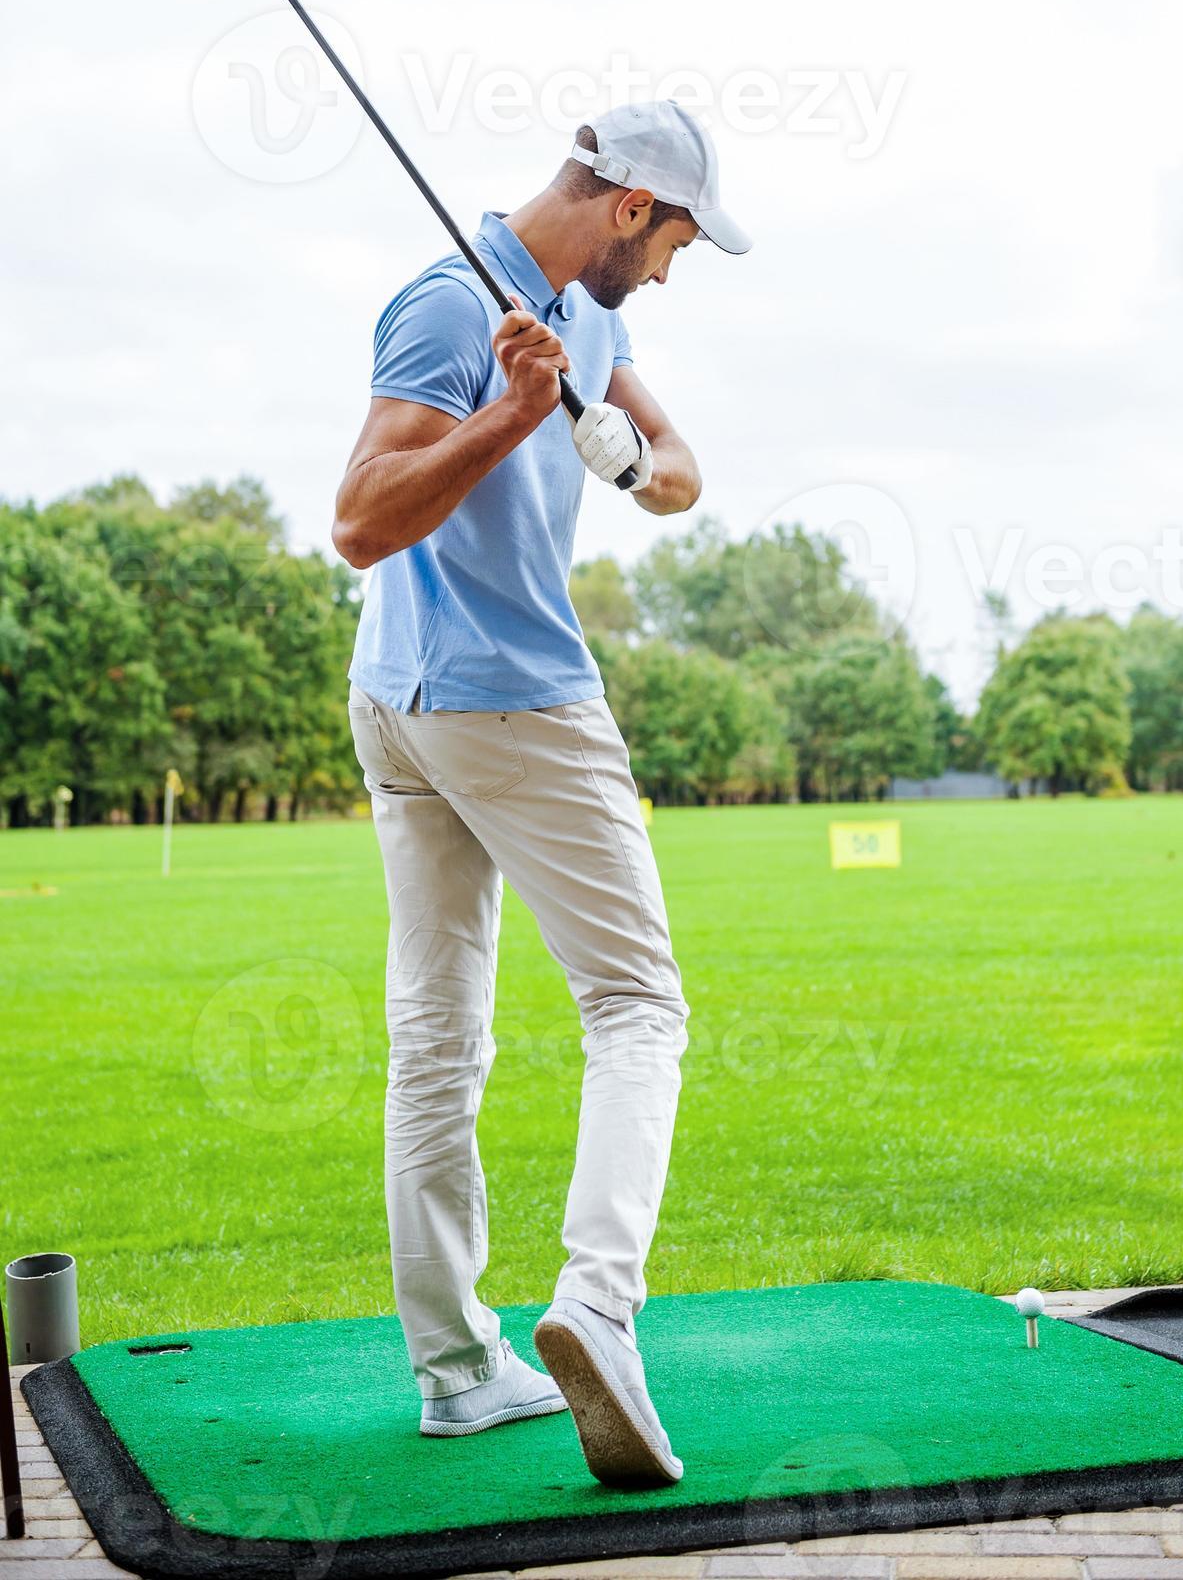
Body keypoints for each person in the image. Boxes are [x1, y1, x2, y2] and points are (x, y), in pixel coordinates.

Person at [332, 100, 751, 1487]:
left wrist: (629, 459)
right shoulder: (451, 308)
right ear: (630, 204)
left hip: (404, 701)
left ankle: (460, 1376)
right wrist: (514, 415)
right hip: (502, 700)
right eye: (679, 239)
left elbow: (683, 478)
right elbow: (359, 520)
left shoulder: (590, 317)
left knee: (435, 1040)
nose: (676, 271)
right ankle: (600, 1311)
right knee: (639, 1006)